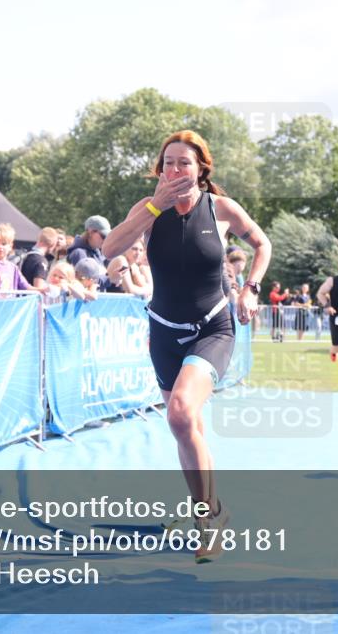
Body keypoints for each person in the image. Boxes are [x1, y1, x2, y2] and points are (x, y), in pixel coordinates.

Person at [102, 130, 270, 563]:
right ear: (160, 169)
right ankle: (213, 510)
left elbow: (261, 244)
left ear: (201, 170)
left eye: (184, 163)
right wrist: (155, 205)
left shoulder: (222, 209)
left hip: (212, 327)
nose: (175, 170)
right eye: (169, 162)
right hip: (163, 330)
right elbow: (110, 247)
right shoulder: (148, 209)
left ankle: (206, 522)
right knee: (185, 426)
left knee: (180, 411)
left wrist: (250, 288)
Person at [67, 215, 111, 289]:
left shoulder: (99, 254)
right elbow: (86, 283)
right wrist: (111, 278)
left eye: (108, 237)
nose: (105, 240)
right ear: (90, 232)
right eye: (104, 236)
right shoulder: (79, 253)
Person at [21, 227, 60, 291]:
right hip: (31, 299)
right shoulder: (41, 262)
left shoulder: (25, 256)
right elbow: (39, 287)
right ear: (52, 244)